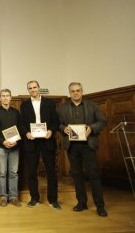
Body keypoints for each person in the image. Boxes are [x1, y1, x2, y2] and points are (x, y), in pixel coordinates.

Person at [58, 82, 107, 217]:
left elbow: (102, 121)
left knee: (93, 175)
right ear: (69, 93)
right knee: (77, 175)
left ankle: (100, 206)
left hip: (88, 145)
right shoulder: (63, 108)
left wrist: (91, 128)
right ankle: (82, 203)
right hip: (72, 147)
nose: (75, 93)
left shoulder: (92, 106)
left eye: (78, 90)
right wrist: (64, 129)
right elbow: (59, 124)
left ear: (82, 92)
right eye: (72, 91)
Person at [20, 80, 61, 209]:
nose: (32, 90)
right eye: (30, 88)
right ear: (28, 90)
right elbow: (21, 124)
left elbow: (56, 121)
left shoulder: (49, 103)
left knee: (51, 171)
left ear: (39, 88)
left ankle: (53, 199)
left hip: (47, 141)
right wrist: (26, 133)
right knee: (32, 172)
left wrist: (51, 131)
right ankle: (34, 198)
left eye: (34, 87)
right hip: (31, 142)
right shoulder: (24, 105)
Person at [0, 89, 23, 207]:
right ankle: (3, 197)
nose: (5, 98)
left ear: (11, 98)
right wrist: (3, 141)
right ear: (0, 98)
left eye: (7, 96)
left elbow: (20, 128)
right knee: (2, 172)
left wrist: (16, 141)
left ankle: (13, 196)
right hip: (1, 145)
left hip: (14, 146)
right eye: (3, 96)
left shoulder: (16, 112)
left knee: (13, 172)